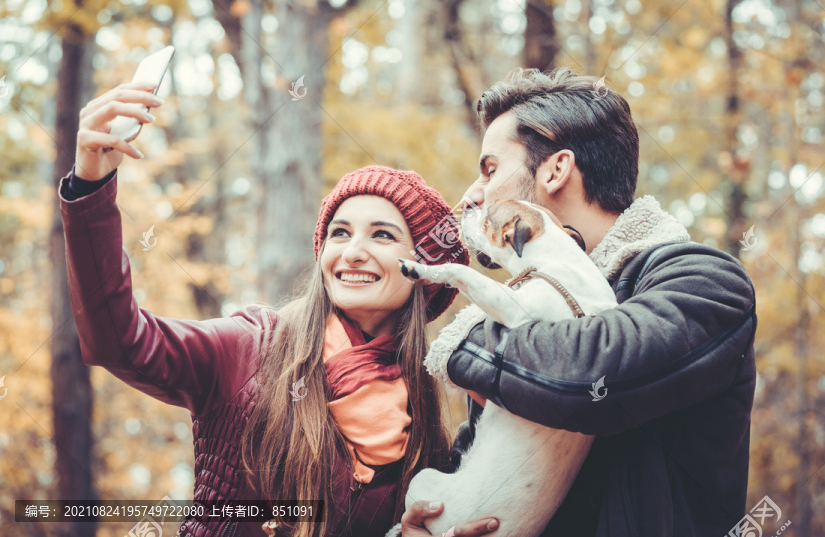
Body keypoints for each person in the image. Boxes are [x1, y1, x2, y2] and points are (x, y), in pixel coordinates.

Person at [58, 81, 501, 537]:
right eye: (340, 232)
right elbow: (117, 339)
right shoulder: (251, 346)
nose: (351, 252)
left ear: (422, 273)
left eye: (383, 236)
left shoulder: (428, 410)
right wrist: (91, 185)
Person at [401, 67, 757, 537]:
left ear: (556, 169)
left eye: (490, 169)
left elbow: (590, 374)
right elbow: (481, 463)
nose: (472, 195)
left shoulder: (704, 282)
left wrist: (466, 344)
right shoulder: (525, 312)